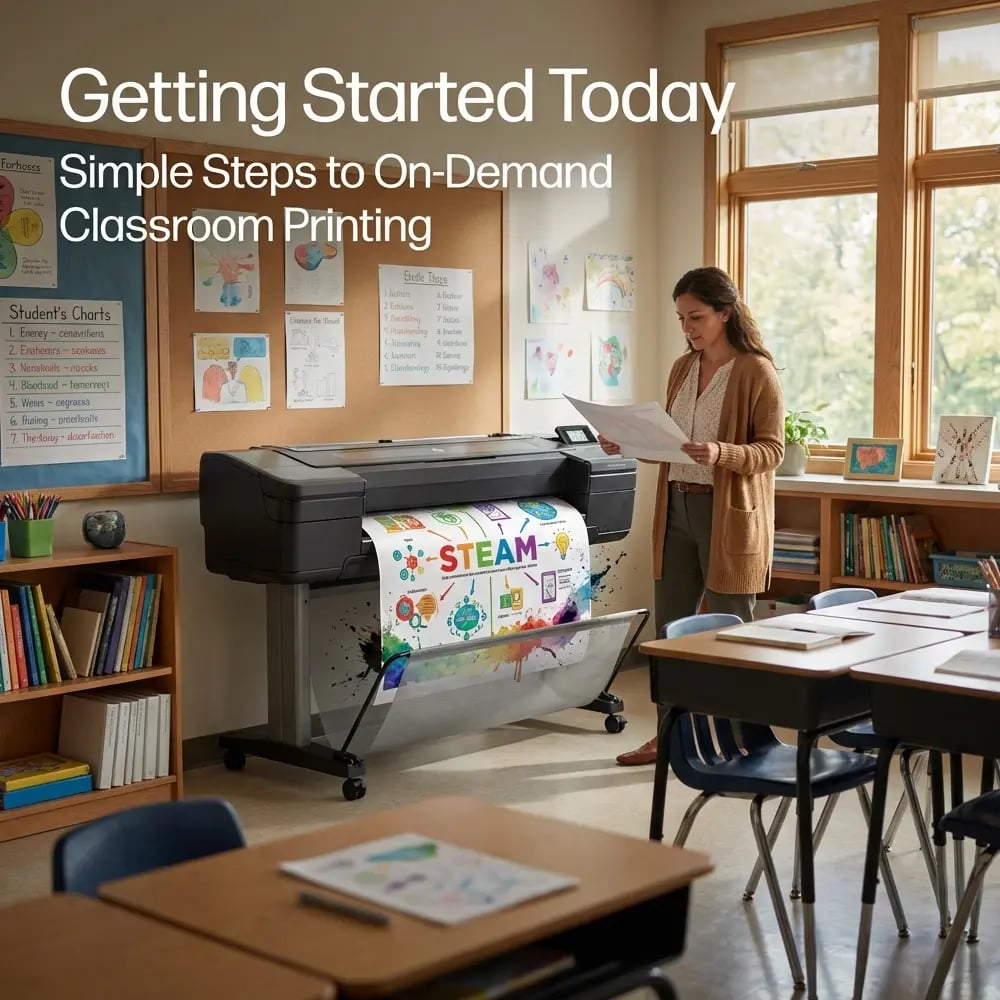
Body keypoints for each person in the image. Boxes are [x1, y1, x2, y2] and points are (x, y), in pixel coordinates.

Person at [601, 266, 784, 766]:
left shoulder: (755, 371)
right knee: (673, 632)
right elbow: (670, 445)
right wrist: (629, 443)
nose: (688, 327)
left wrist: (721, 453)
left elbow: (772, 451)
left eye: (697, 317)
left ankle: (737, 737)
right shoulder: (683, 368)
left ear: (726, 313)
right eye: (681, 318)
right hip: (676, 508)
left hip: (728, 515)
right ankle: (670, 737)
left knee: (731, 632)